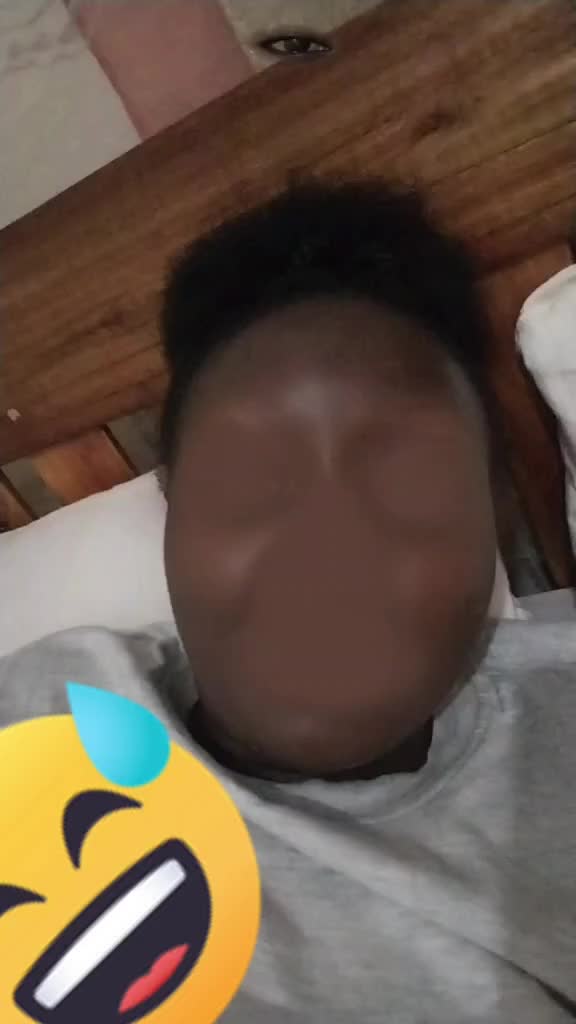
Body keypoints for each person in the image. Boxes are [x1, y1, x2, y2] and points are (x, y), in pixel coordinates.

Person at [2, 183, 576, 1022]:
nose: (326, 549)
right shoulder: (36, 709)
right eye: (251, 475)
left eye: (408, 474)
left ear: (488, 507)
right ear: (172, 506)